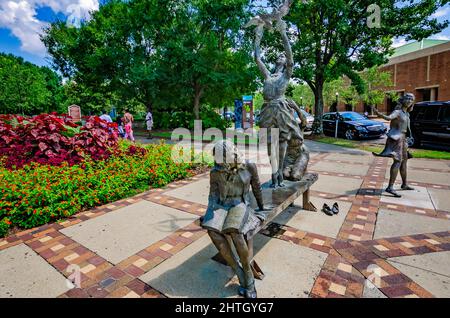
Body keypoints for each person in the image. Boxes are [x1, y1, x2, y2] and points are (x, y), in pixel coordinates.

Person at [201, 140, 266, 298]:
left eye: (222, 162)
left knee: (235, 232)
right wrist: (210, 212)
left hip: (240, 205)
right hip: (221, 207)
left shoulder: (248, 166)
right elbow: (213, 195)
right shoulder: (215, 172)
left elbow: (256, 187)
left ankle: (248, 275)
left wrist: (261, 208)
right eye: (217, 162)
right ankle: (238, 270)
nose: (219, 165)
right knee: (212, 231)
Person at [253, 16, 305, 188]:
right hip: (268, 109)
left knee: (282, 143)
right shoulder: (268, 75)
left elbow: (290, 58)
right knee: (269, 145)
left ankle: (279, 176)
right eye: (279, 56)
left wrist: (283, 33)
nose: (281, 57)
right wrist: (258, 37)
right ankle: (274, 173)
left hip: (281, 110)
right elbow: (257, 59)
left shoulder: (286, 75)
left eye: (282, 56)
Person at [372, 93, 416, 198]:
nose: (410, 101)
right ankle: (390, 187)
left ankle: (404, 184)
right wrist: (379, 114)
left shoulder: (407, 114)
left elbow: (406, 128)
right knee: (397, 161)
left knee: (404, 162)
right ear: (403, 100)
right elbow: (388, 117)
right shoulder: (397, 112)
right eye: (408, 98)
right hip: (397, 139)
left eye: (412, 99)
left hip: (404, 139)